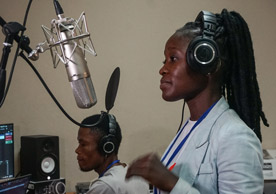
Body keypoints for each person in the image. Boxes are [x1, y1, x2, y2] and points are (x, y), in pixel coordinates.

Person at [126, 9, 269, 193]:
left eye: (173, 59)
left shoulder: (235, 138)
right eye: (165, 60)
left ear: (205, 60)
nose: (162, 70)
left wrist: (170, 183)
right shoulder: (191, 128)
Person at [75, 113, 150, 194]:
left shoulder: (105, 186)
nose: (77, 150)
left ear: (107, 147)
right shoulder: (136, 176)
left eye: (83, 144)